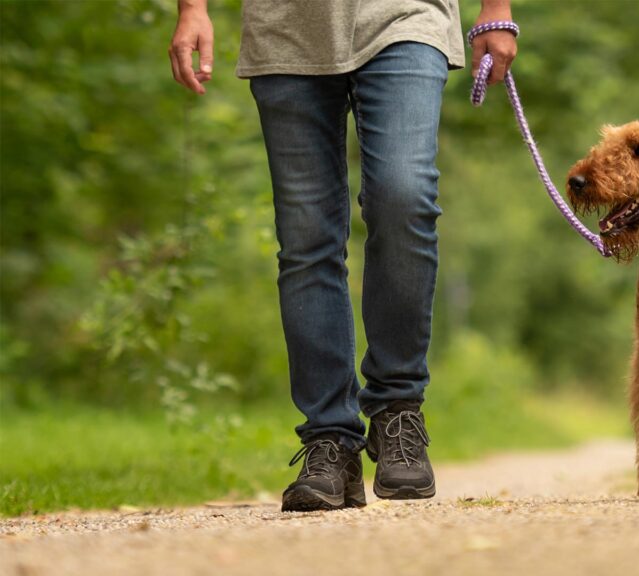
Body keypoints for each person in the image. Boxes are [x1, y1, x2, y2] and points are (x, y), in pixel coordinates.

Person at [169, 0, 517, 511]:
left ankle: (398, 406)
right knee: (306, 238)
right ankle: (329, 440)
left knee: (404, 196)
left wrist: (496, 8)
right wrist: (192, 8)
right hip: (284, 28)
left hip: (406, 16)